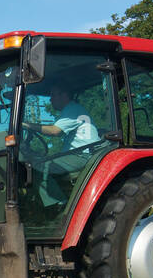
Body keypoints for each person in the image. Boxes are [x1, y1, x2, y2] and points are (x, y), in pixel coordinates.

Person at [21, 78, 102, 209]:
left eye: (53, 95)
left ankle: (56, 207)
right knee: (44, 161)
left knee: (37, 167)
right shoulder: (74, 109)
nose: (50, 100)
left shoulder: (72, 109)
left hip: (83, 155)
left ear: (64, 95)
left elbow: (55, 131)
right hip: (81, 154)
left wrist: (26, 125)